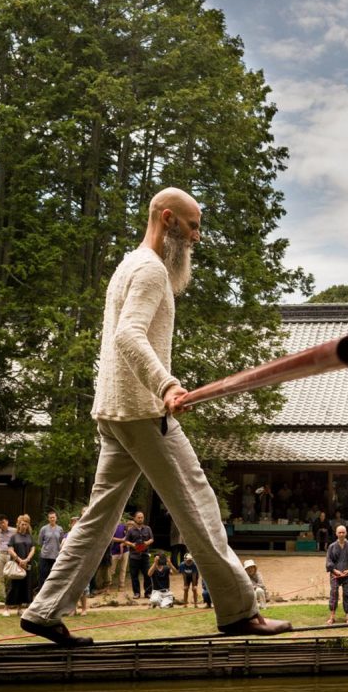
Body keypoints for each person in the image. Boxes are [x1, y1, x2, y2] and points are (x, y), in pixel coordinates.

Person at [18, 187, 289, 646]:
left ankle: (44, 611)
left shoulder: (128, 264)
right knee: (200, 506)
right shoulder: (148, 270)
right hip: (142, 411)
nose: (197, 237)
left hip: (116, 411)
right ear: (168, 220)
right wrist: (165, 384)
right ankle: (239, 611)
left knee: (100, 517)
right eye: (193, 226)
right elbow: (128, 335)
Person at [326, 524, 348, 625]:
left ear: (346, 533)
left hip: (347, 575)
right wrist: (335, 571)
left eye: (343, 532)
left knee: (347, 594)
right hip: (335, 575)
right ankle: (332, 616)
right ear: (336, 533)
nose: (341, 534)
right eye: (339, 532)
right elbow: (328, 561)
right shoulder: (331, 547)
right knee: (334, 594)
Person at [5, 515, 36, 616]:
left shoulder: (30, 537)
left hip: (27, 565)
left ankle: (19, 608)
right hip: (16, 564)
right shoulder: (14, 537)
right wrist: (18, 559)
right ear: (18, 525)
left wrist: (27, 559)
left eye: (26, 524)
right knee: (13, 586)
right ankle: (7, 608)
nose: (24, 526)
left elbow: (33, 549)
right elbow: (10, 549)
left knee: (25, 586)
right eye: (22, 524)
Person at [124, 511, 154, 599]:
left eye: (142, 517)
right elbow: (126, 541)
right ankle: (136, 593)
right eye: (139, 517)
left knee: (147, 574)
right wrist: (132, 544)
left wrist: (147, 542)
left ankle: (148, 593)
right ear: (135, 518)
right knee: (134, 576)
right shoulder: (131, 530)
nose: (140, 519)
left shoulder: (148, 528)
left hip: (145, 555)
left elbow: (152, 539)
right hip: (134, 556)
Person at [37, 511, 65, 588]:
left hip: (56, 556)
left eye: (53, 517)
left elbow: (62, 541)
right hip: (45, 556)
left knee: (54, 576)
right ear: (48, 519)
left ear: (56, 518)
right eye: (50, 517)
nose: (52, 519)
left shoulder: (60, 529)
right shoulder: (44, 529)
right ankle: (41, 593)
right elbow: (40, 542)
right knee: (43, 576)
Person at [0, 514, 16, 594]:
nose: (2, 524)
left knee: (10, 575)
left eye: (3, 522)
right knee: (0, 575)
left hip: (10, 555)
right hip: (0, 554)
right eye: (0, 523)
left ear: (7, 522)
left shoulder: (14, 531)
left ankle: (10, 595)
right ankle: (1, 596)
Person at [109, 514, 131, 594]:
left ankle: (121, 585)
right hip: (114, 551)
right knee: (111, 569)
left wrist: (123, 541)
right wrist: (121, 540)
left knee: (123, 569)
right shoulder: (111, 527)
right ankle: (109, 585)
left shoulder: (124, 526)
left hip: (125, 550)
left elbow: (128, 537)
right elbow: (111, 538)